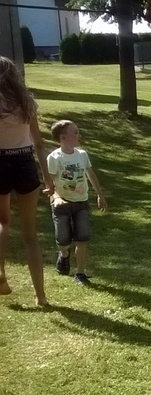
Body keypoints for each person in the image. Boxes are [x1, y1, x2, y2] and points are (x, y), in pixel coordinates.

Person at [0, 56, 53, 306]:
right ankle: (41, 296)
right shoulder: (27, 102)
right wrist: (48, 179)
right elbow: (39, 144)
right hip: (24, 162)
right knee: (31, 235)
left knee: (3, 221)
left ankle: (0, 271)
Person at [46, 120, 107, 286]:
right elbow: (49, 183)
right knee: (63, 240)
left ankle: (80, 273)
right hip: (61, 204)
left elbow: (90, 174)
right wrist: (56, 197)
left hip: (81, 203)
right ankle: (64, 255)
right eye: (75, 132)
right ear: (63, 137)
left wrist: (100, 195)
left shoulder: (82, 155)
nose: (79, 135)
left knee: (82, 238)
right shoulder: (54, 158)